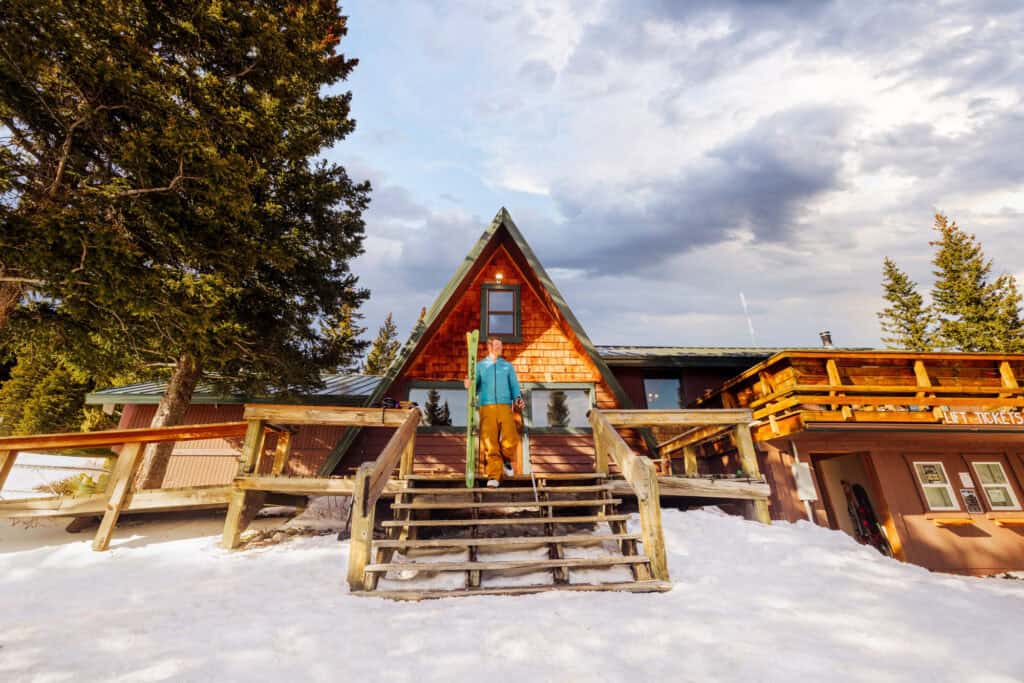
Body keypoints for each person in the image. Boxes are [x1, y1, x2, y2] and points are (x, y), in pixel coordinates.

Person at [465, 336, 524, 487]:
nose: (500, 348)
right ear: (490, 347)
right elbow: (474, 385)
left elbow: (514, 386)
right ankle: (494, 477)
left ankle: (505, 459)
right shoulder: (480, 366)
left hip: (505, 406)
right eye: (498, 345)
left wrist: (518, 398)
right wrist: (468, 384)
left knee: (511, 438)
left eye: (501, 345)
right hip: (487, 407)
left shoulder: (507, 366)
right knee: (490, 442)